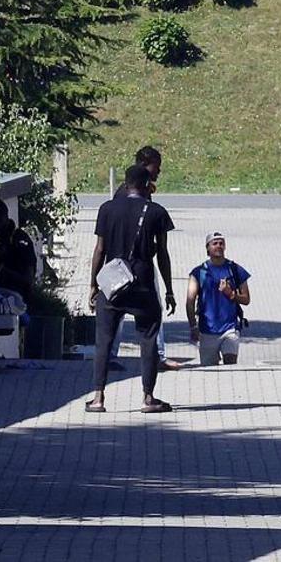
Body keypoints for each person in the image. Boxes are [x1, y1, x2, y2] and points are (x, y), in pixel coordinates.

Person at [86, 165, 176, 413]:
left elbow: (100, 250)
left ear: (126, 185)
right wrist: (168, 289)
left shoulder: (107, 209)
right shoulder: (157, 212)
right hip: (143, 283)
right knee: (147, 339)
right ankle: (148, 398)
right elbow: (163, 255)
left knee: (103, 340)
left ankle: (98, 398)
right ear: (148, 185)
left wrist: (93, 284)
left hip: (112, 283)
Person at [111, 145, 181, 371]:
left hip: (132, 260)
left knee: (134, 309)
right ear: (144, 165)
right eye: (156, 168)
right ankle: (145, 356)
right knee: (123, 309)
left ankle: (156, 355)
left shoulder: (140, 190)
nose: (158, 172)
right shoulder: (128, 194)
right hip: (130, 263)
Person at [186, 232, 251, 366]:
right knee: (209, 370)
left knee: (230, 364)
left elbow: (246, 299)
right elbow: (190, 301)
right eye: (215, 243)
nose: (219, 246)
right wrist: (193, 326)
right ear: (208, 248)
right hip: (207, 331)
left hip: (230, 329)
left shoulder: (235, 269)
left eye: (221, 243)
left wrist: (231, 294)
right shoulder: (198, 272)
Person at [0, 200, 36, 297]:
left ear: (4, 218)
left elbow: (28, 279)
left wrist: (2, 271)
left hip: (15, 296)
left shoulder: (19, 239)